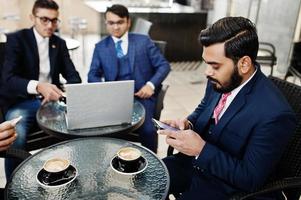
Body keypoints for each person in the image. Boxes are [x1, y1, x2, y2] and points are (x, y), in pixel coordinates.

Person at [159, 17, 296, 199]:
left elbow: (250, 178)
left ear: (244, 64)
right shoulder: (220, 80)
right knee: (148, 175)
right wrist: (188, 124)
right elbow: (203, 109)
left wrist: (201, 149)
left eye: (215, 66)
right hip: (194, 165)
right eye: (206, 63)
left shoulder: (275, 114)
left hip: (228, 188)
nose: (207, 72)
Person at [1, 0, 81, 178]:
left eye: (54, 20)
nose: (50, 25)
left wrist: (64, 92)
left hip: (53, 102)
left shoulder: (59, 43)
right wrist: (38, 86)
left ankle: (67, 177)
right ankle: (14, 186)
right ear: (32, 17)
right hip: (23, 102)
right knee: (15, 135)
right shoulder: (17, 40)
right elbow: (7, 80)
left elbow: (74, 76)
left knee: (79, 128)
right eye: (44, 19)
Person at [88, 4, 170, 153]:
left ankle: (151, 164)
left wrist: (150, 85)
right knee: (101, 130)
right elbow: (92, 74)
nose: (116, 27)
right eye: (111, 23)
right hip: (113, 99)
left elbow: (164, 66)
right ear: (106, 23)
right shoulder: (100, 47)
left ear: (128, 22)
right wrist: (103, 90)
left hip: (142, 97)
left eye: (120, 22)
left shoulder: (143, 41)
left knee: (148, 131)